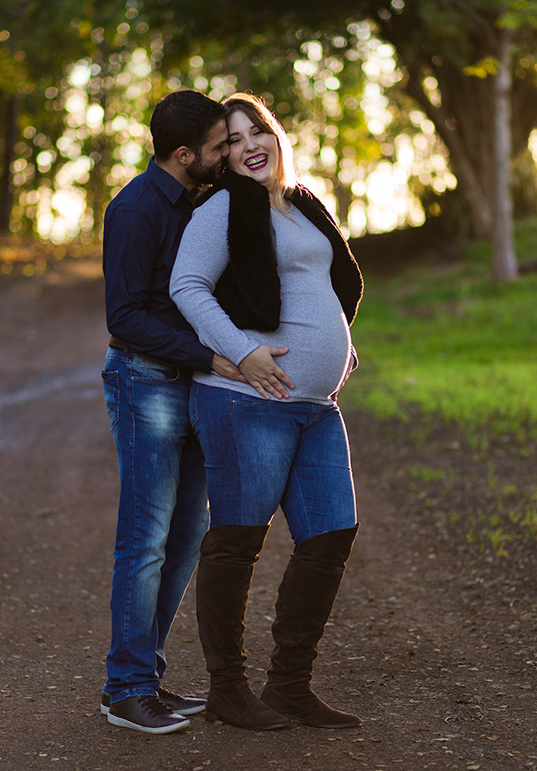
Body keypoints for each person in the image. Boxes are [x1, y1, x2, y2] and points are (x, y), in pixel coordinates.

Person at [170, 92, 364, 731]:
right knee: (236, 543)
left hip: (315, 404)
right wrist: (244, 351)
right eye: (233, 138)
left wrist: (341, 343)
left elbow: (325, 283)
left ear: (276, 136)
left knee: (331, 533)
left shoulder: (302, 205)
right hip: (247, 401)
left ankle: (288, 686)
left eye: (258, 131)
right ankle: (228, 690)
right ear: (221, 155)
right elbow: (187, 287)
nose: (250, 144)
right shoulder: (222, 208)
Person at [100, 89, 246, 735]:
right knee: (145, 538)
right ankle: (125, 687)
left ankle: (146, 676)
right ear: (183, 154)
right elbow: (124, 318)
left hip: (190, 384)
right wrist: (209, 358)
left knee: (187, 535)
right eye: (219, 147)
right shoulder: (133, 211)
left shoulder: (201, 201)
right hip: (148, 384)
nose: (228, 155)